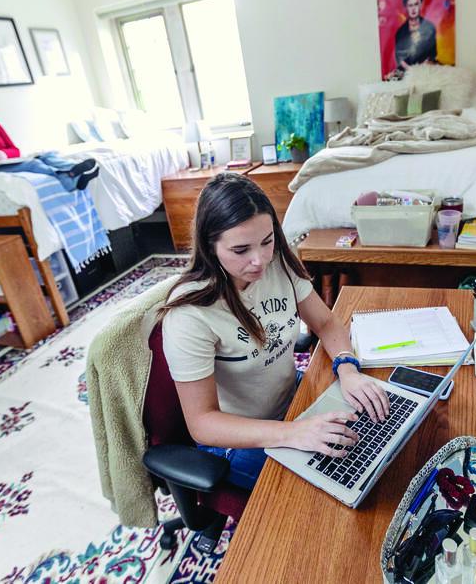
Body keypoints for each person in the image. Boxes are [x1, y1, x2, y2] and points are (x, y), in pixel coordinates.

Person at [159, 173, 390, 490]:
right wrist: (294, 433)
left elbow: (326, 323)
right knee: (323, 491)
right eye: (241, 250)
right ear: (210, 247)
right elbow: (202, 423)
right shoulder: (189, 315)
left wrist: (347, 368)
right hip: (239, 436)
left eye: (267, 241)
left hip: (290, 401)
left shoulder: (278, 262)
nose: (259, 261)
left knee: (373, 439)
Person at [0, 86, 98, 191]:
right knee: (33, 164)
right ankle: (70, 179)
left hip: (5, 160)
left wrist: (4, 154)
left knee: (46, 155)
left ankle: (75, 171)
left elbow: (15, 150)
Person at [393, 0, 438, 75]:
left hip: (427, 71)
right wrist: (411, 72)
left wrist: (420, 71)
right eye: (410, 5)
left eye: (416, 4)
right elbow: (400, 58)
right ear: (406, 7)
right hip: (406, 74)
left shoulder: (430, 28)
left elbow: (432, 55)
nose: (413, 9)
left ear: (421, 4)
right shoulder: (400, 33)